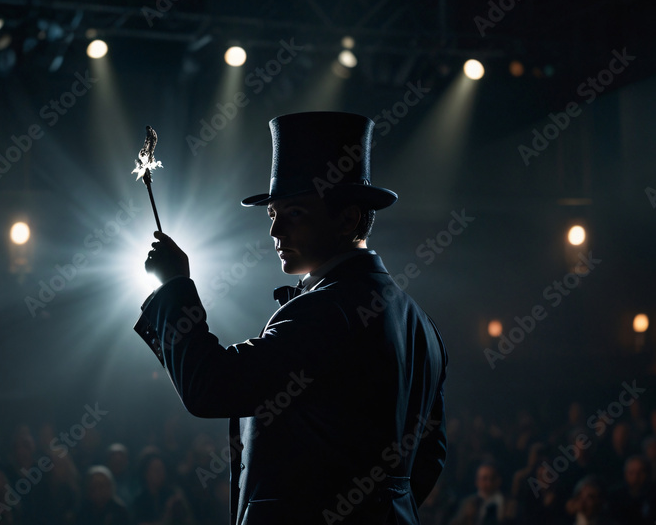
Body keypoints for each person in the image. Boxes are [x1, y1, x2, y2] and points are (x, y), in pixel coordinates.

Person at [135, 111, 448, 525]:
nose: (275, 231)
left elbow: (211, 386)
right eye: (272, 214)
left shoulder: (327, 311)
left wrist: (175, 286)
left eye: (295, 212)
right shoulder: (422, 325)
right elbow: (429, 459)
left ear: (348, 218)